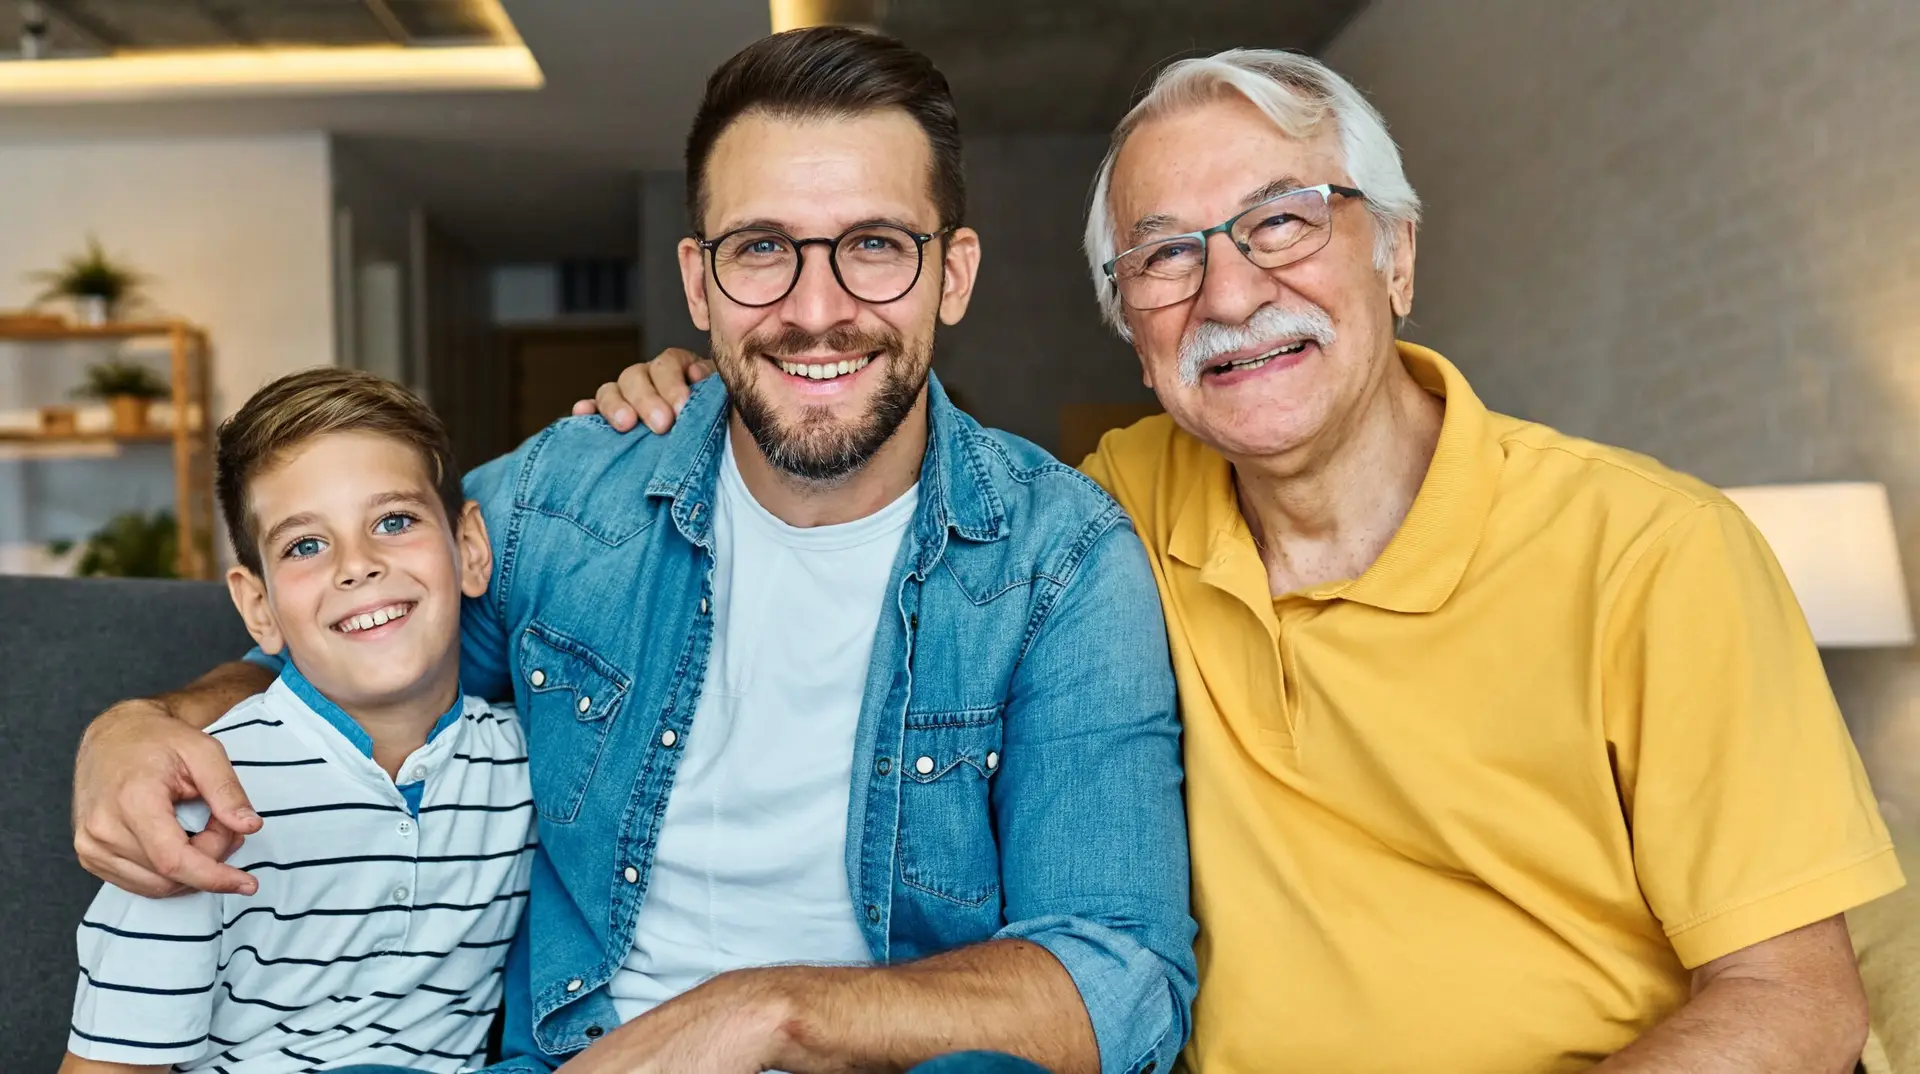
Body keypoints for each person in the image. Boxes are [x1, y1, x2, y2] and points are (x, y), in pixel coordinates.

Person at [583, 47, 1905, 1073]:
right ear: (1132, 331)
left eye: (1282, 221)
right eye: (1164, 256)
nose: (1227, 293)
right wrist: (703, 393)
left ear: (1393, 251)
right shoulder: (1091, 528)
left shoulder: (1654, 554)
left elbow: (1794, 1004)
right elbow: (845, 448)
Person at [68, 28, 1196, 1074]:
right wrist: (148, 727)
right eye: (763, 249)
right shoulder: (567, 495)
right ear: (700, 281)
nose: (816, 308)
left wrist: (766, 1011)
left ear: (951, 273)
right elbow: (356, 659)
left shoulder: (1059, 557)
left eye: (873, 247)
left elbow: (1120, 973)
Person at [62, 368, 532, 1074]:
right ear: (259, 609)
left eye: (394, 521)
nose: (359, 566)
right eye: (306, 545)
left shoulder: (531, 766)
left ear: (469, 549)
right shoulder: (199, 807)